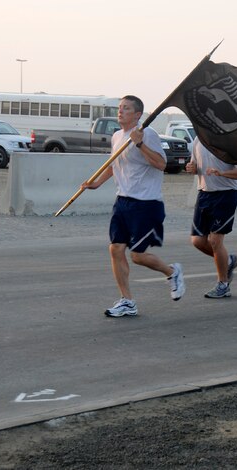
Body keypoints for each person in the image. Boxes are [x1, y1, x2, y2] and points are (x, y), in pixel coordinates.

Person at [82, 95, 185, 317]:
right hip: (123, 201)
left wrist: (140, 144)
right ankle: (127, 301)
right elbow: (114, 165)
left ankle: (172, 271)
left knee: (137, 256)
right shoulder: (117, 136)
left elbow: (161, 164)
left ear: (138, 115)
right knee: (115, 248)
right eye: (120, 108)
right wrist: (96, 183)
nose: (120, 111)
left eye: (126, 108)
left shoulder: (148, 134)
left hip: (146, 203)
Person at [186, 139, 237, 298]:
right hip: (204, 194)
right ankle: (228, 261)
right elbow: (195, 166)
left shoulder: (232, 140)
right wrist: (191, 168)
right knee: (198, 241)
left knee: (215, 241)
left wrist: (222, 173)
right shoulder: (198, 140)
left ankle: (223, 284)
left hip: (225, 194)